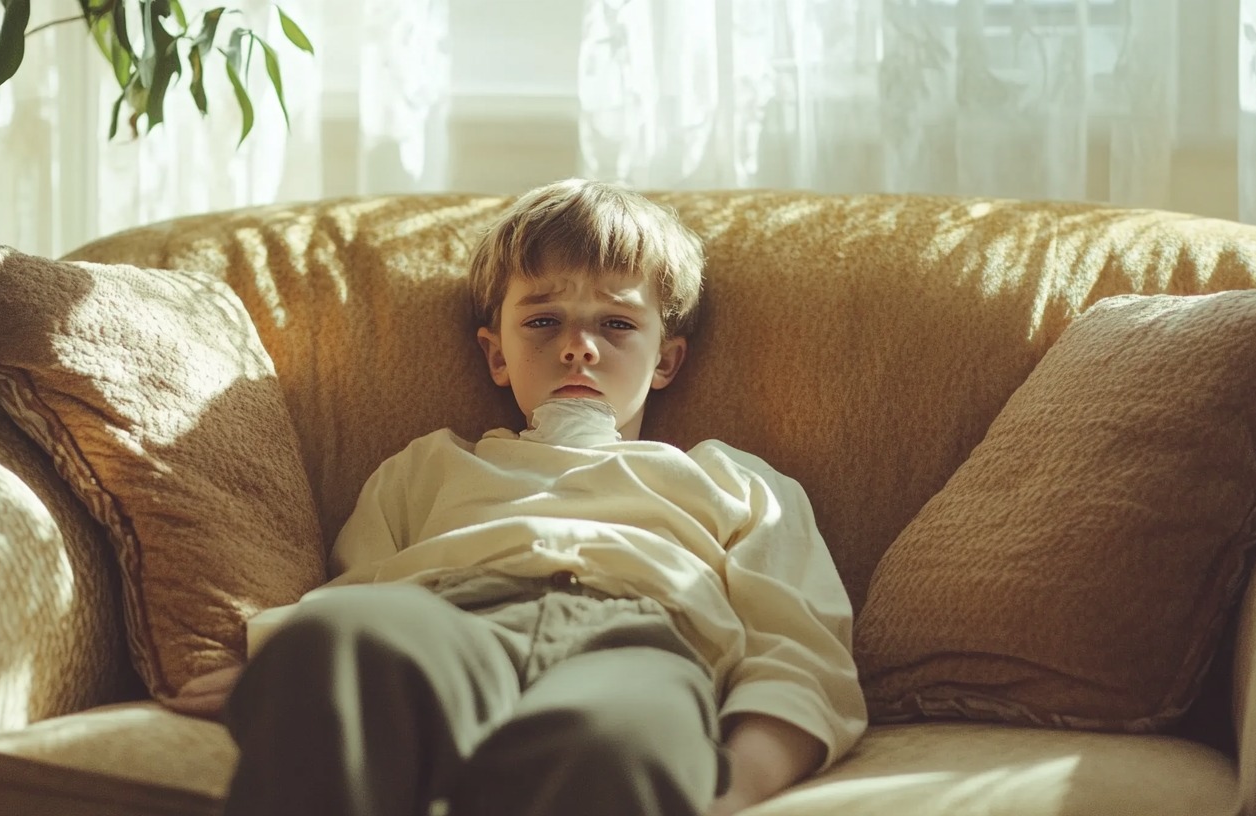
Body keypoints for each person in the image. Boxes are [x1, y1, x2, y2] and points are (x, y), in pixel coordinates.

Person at [209, 179, 867, 816]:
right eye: (544, 321)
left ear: (665, 361)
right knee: (339, 640)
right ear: (497, 356)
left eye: (615, 324)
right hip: (452, 619)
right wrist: (276, 659)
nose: (579, 348)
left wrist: (739, 786)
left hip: (639, 643)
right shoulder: (426, 468)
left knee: (615, 744)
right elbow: (354, 603)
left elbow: (801, 656)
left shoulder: (736, 483)